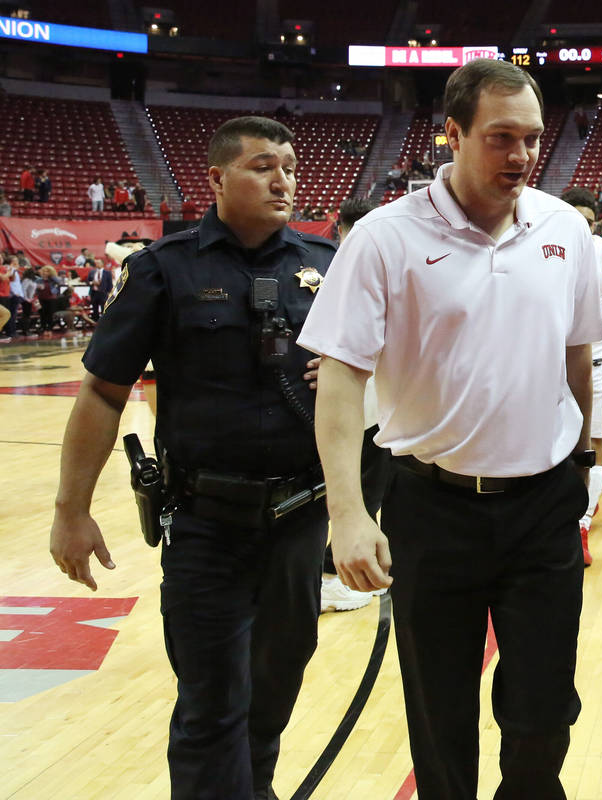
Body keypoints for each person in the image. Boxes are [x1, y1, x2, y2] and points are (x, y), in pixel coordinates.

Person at [297, 58, 601, 800]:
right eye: (501, 138)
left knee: (542, 712)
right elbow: (339, 379)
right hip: (430, 508)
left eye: (532, 138)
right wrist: (346, 512)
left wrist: (585, 462)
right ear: (452, 135)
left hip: (542, 507)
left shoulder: (566, 229)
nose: (522, 155)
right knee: (440, 711)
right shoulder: (383, 237)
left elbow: (579, 357)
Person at [48, 115, 334, 800]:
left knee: (276, 686)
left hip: (301, 519)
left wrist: (370, 381)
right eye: (264, 165)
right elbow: (102, 391)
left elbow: (389, 380)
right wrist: (71, 509)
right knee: (210, 705)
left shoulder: (328, 265)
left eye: (290, 167)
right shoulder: (163, 269)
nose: (282, 180)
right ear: (216, 178)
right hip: (206, 522)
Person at [317, 195, 390, 613]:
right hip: (351, 404)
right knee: (357, 489)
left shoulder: (341, 266)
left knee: (370, 489)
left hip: (376, 403)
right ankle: (338, 568)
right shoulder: (323, 269)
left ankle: (350, 570)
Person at [562, 186, 602, 566]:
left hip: (597, 365)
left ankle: (581, 526)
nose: (581, 228)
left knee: (592, 446)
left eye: (587, 221)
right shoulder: (541, 252)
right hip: (548, 366)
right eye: (575, 220)